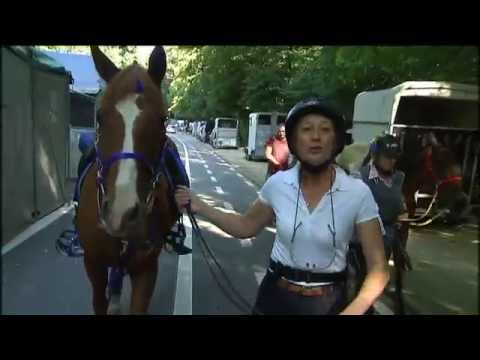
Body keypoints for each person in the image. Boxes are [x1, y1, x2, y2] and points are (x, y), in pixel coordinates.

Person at [175, 98, 389, 315]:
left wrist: (354, 310)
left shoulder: (358, 193)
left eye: (325, 130)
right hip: (276, 298)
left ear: (336, 140)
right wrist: (200, 205)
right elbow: (245, 225)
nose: (316, 137)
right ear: (295, 141)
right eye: (307, 129)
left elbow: (378, 269)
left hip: (330, 303)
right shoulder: (278, 184)